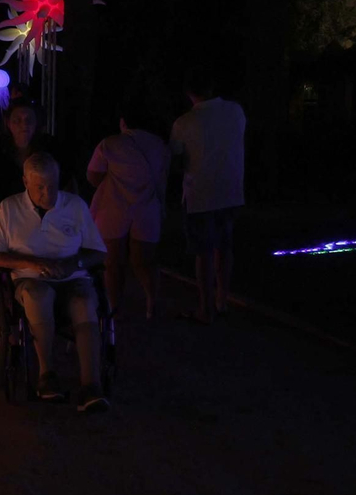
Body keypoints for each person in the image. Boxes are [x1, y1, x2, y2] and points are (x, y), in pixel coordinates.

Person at [0, 152, 110, 411]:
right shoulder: (9, 208)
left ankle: (91, 385)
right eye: (40, 187)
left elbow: (98, 251)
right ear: (25, 183)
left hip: (72, 277)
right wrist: (33, 263)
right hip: (31, 279)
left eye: (52, 185)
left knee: (84, 302)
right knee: (38, 296)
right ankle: (46, 374)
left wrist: (73, 264)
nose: (47, 193)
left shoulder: (75, 206)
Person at [170, 68, 245, 324]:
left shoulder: (184, 123)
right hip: (231, 191)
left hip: (200, 196)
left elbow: (177, 158)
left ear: (188, 92)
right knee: (225, 247)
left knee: (203, 252)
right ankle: (222, 300)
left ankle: (206, 308)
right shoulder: (235, 111)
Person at [87, 110, 170, 318]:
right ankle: (151, 301)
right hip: (148, 207)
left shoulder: (111, 143)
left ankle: (114, 307)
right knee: (144, 260)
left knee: (113, 262)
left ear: (123, 122)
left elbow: (93, 176)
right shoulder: (160, 145)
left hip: (112, 206)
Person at [0, 101, 64, 220]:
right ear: (8, 123)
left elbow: (67, 183)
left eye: (29, 120)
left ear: (36, 122)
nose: (24, 125)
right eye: (17, 120)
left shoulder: (50, 146)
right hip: (5, 217)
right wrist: (1, 216)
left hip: (48, 218)